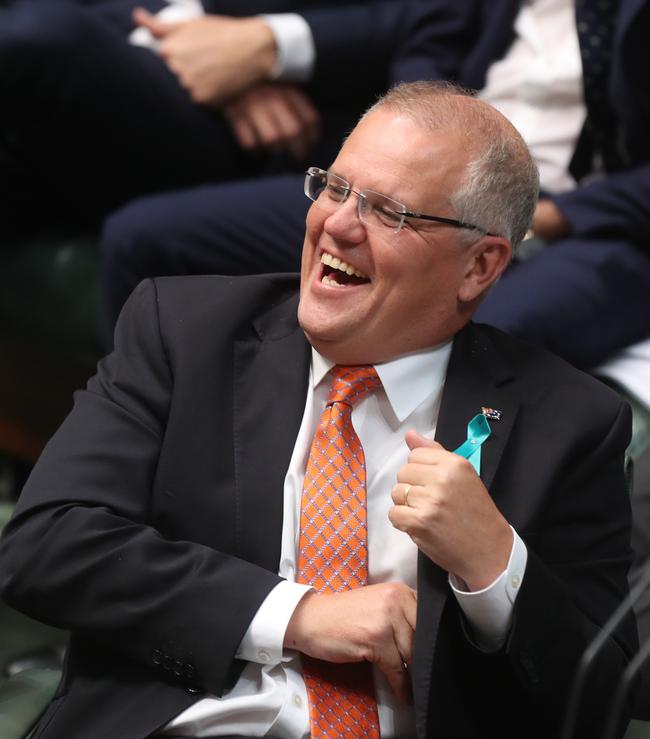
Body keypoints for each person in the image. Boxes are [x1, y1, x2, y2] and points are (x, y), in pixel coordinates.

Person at [0, 83, 637, 739]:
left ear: (478, 266)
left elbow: (606, 699)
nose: (336, 224)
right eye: (334, 188)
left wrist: (496, 564)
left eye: (388, 211)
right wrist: (297, 614)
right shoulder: (186, 333)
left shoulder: (569, 422)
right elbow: (48, 542)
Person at [101, 0, 650, 373]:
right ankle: (151, 472)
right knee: (147, 242)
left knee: (478, 340)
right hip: (438, 177)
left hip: (597, 217)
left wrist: (554, 216)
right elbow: (437, 31)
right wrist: (409, 167)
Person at [0, 0, 464, 233]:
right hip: (111, 62)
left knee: (38, 39)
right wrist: (191, 46)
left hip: (257, 136)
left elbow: (433, 8)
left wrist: (270, 46)